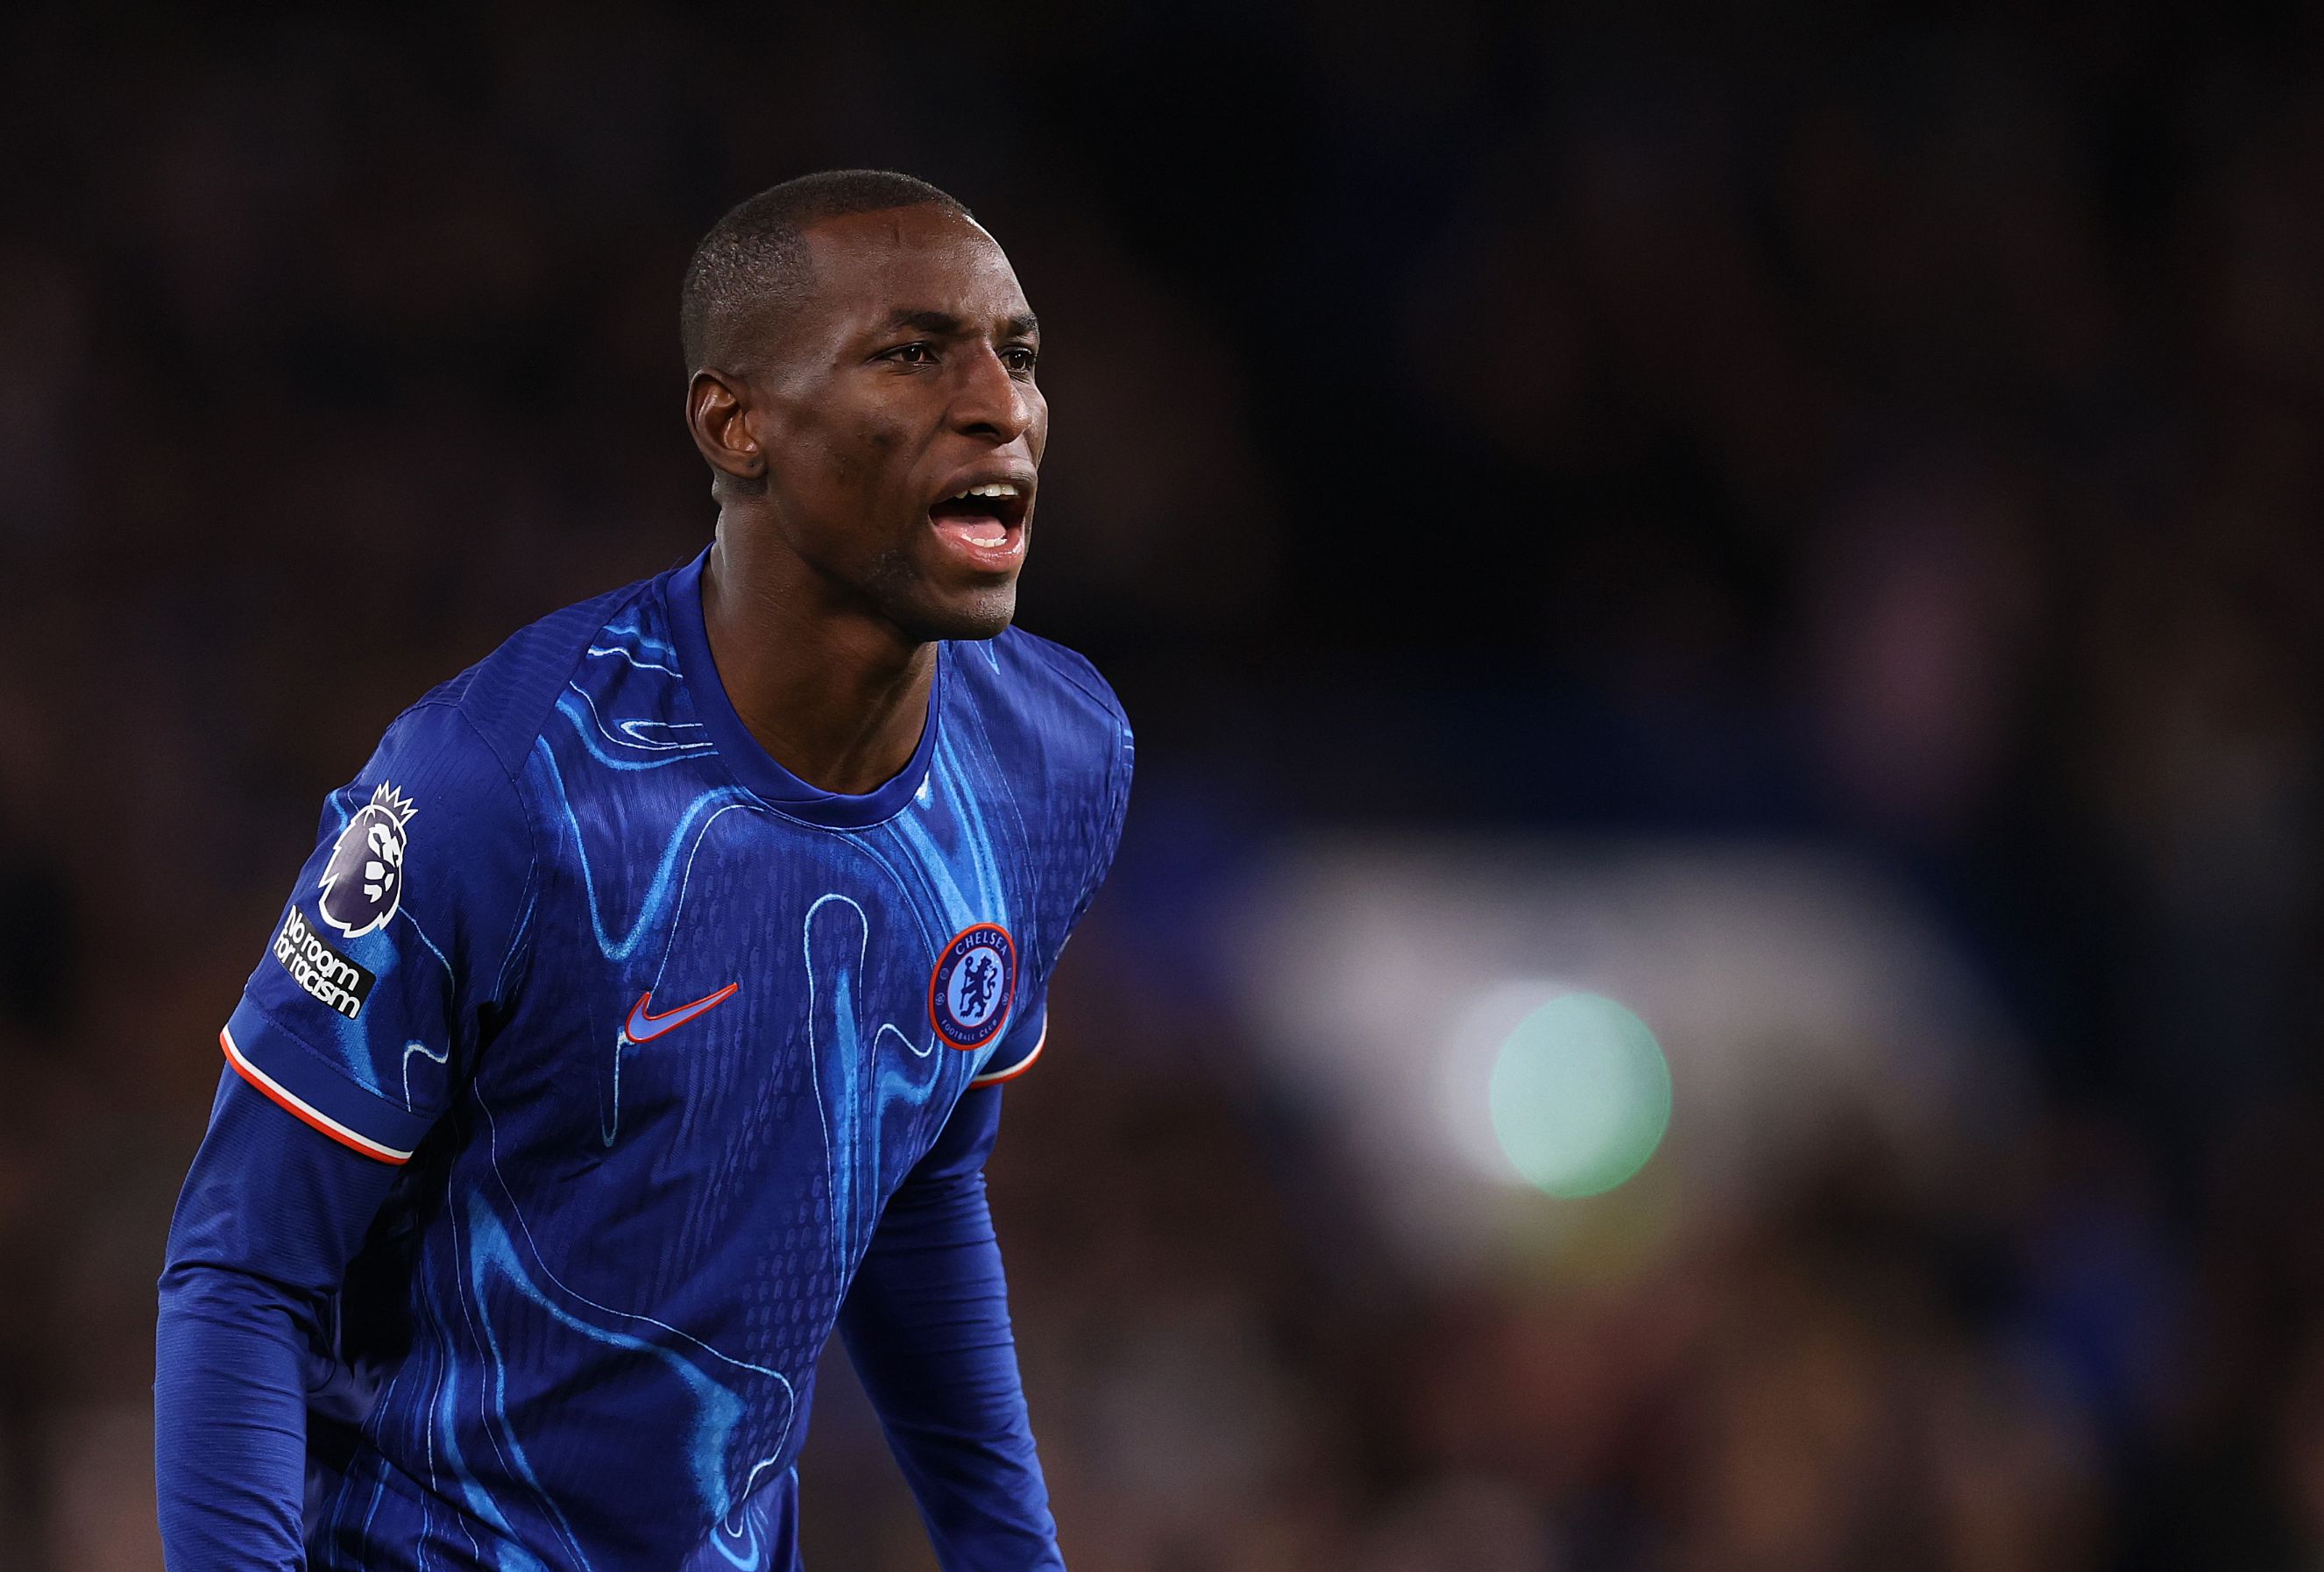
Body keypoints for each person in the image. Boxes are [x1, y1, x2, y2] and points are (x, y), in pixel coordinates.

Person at [153, 169, 1131, 1572]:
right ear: (736, 424)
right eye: (915, 353)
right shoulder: (495, 783)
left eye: (1020, 355)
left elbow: (918, 1181)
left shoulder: (1057, 756)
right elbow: (243, 1269)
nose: (1000, 405)